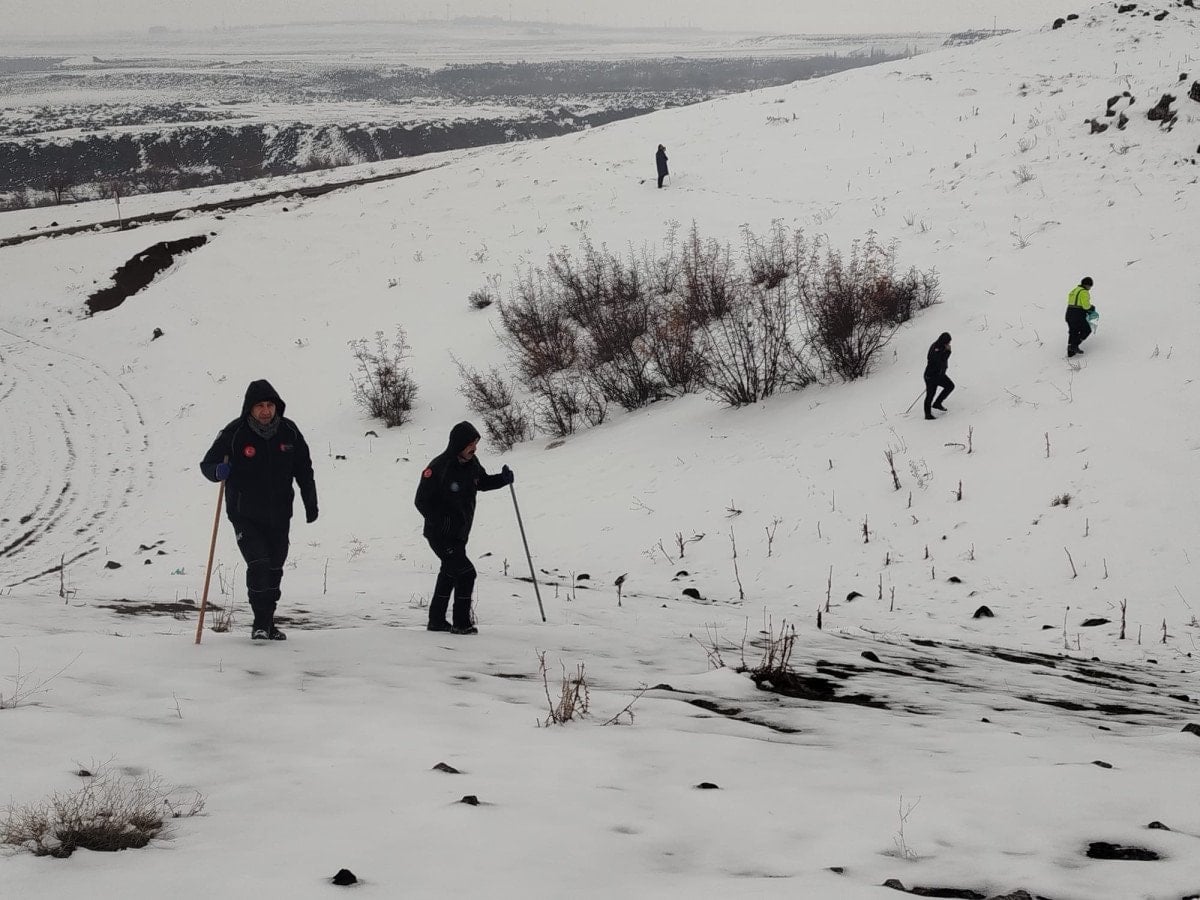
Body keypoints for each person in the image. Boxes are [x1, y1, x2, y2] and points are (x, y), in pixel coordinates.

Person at [200, 380, 318, 641]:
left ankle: (267, 622)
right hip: (244, 513)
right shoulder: (235, 432)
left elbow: (304, 469)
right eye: (260, 406)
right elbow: (207, 463)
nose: (266, 411)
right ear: (250, 408)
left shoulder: (289, 432)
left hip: (279, 513)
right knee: (259, 564)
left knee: (275, 568)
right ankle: (260, 623)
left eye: (269, 405)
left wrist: (311, 503)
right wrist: (217, 471)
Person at [414, 422, 512, 635]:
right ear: (459, 444)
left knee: (450, 572)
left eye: (475, 444)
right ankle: (461, 623)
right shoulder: (439, 467)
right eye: (470, 444)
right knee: (466, 573)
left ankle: (436, 621)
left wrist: (502, 480)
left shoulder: (472, 463)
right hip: (440, 535)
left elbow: (482, 482)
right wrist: (443, 522)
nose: (474, 448)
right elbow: (421, 501)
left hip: (459, 534)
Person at [923, 332, 954, 420]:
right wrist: (948, 352)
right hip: (931, 376)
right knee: (930, 394)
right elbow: (939, 361)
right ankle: (928, 415)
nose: (949, 344)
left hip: (939, 375)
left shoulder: (941, 347)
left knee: (950, 386)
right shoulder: (935, 348)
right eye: (948, 342)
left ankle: (937, 403)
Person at [1066, 276, 1096, 357]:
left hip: (1069, 313)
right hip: (1078, 315)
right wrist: (1092, 308)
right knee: (1087, 330)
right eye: (1090, 286)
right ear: (1087, 285)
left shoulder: (1074, 290)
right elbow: (1086, 306)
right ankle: (1074, 345)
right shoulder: (1084, 292)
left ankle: (1070, 353)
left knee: (1073, 331)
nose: (1090, 288)